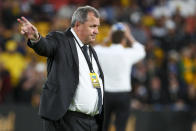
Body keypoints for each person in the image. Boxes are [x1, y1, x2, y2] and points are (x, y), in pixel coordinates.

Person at [17, 5, 104, 131]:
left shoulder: (91, 51)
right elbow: (46, 46)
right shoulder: (61, 39)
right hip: (66, 121)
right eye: (92, 26)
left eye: (97, 26)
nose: (97, 31)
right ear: (78, 25)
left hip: (91, 123)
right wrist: (36, 38)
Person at [94, 23, 146, 131]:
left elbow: (92, 49)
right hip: (123, 94)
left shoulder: (102, 51)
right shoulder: (127, 53)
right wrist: (129, 35)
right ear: (124, 39)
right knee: (121, 127)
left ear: (111, 38)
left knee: (103, 126)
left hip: (106, 95)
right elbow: (141, 50)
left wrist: (107, 38)